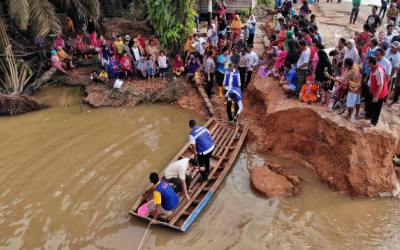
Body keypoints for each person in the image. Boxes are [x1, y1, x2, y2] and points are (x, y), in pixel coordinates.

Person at [366, 56, 389, 126]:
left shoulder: (379, 71)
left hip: (380, 93)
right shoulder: (373, 68)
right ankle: (369, 116)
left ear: (372, 63)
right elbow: (373, 79)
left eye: (368, 63)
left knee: (377, 107)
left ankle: (373, 122)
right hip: (374, 90)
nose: (367, 64)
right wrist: (370, 87)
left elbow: (381, 85)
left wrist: (376, 96)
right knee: (372, 104)